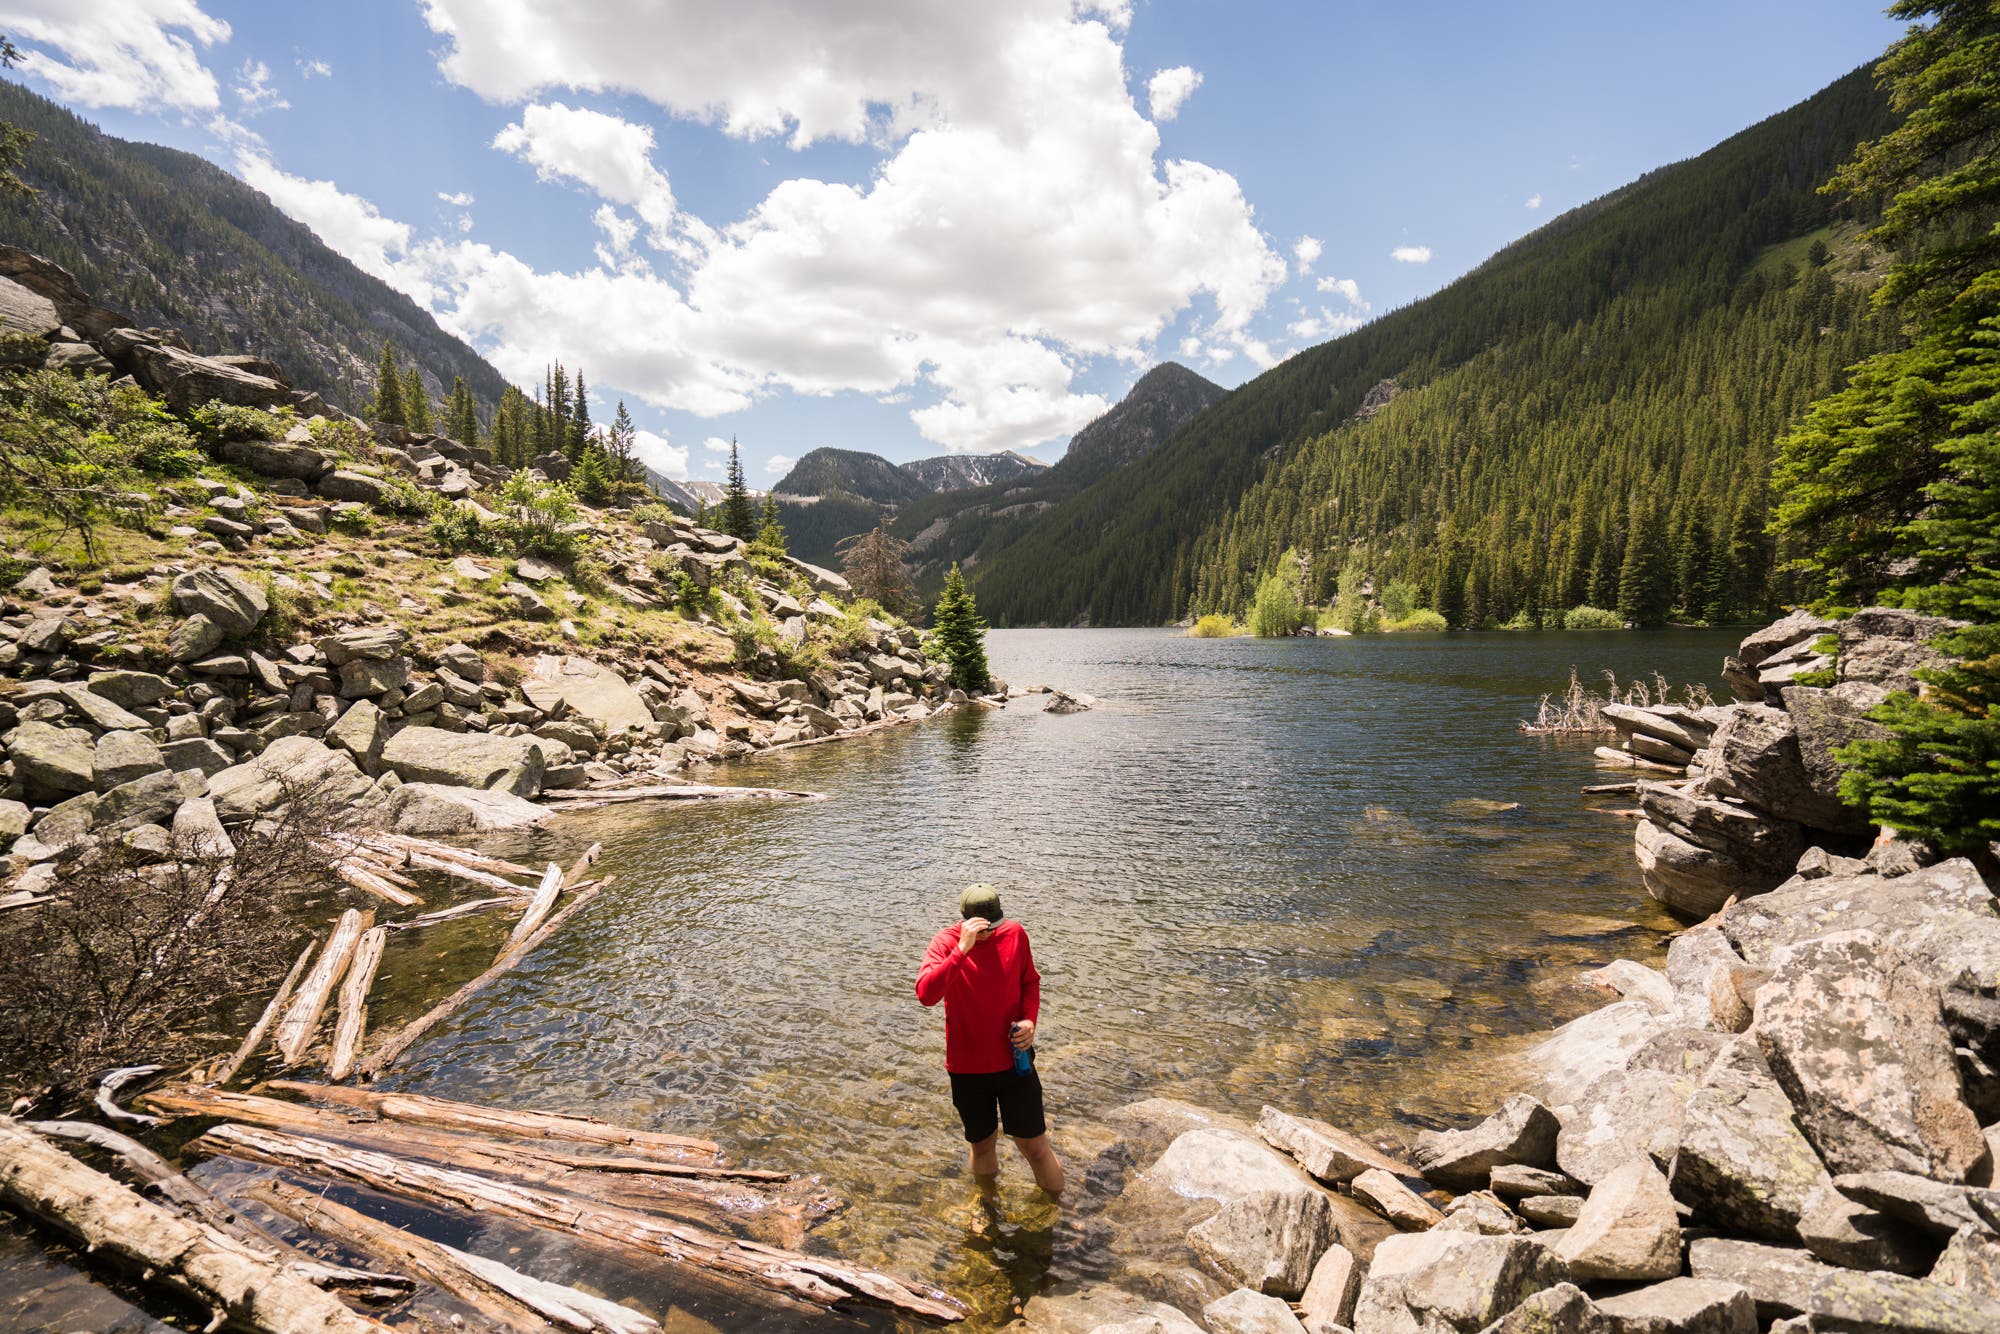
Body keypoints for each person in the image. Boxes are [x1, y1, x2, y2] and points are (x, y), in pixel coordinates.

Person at [914, 884, 1066, 1199]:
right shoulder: (945, 943)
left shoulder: (1015, 934)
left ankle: (1061, 1212)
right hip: (968, 1068)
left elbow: (1030, 982)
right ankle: (987, 1207)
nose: (989, 934)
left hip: (1015, 1061)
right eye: (981, 929)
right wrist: (962, 950)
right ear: (966, 922)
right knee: (982, 1146)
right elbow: (926, 994)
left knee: (1035, 1145)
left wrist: (1029, 1020)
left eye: (993, 927)